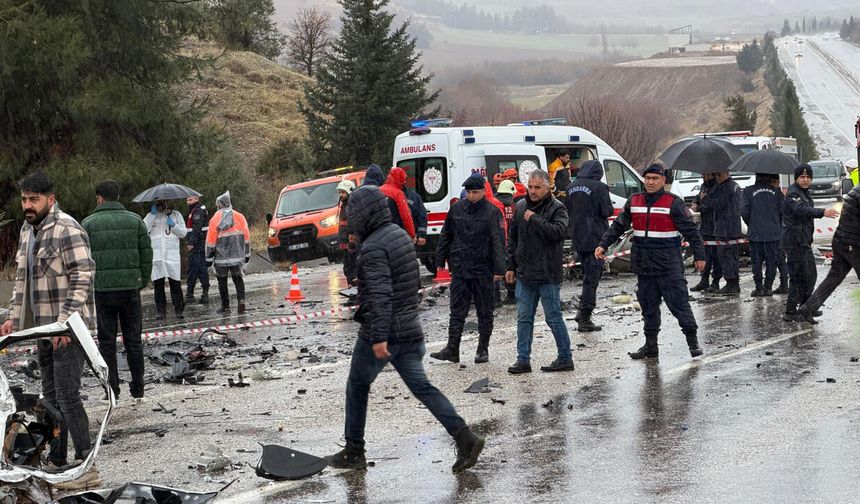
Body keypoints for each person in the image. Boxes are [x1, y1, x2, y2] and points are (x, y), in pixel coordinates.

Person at [324, 185, 484, 474]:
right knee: (423, 387)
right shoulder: (399, 235)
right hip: (409, 327)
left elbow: (381, 294)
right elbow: (409, 285)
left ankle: (354, 449)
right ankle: (465, 437)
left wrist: (379, 336)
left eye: (353, 214)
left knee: (357, 385)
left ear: (364, 215)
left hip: (383, 331)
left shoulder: (372, 247)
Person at [0, 172, 100, 488]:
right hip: (43, 329)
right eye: (24, 199)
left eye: (34, 199)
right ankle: (58, 463)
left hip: (69, 331)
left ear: (50, 199)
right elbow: (22, 282)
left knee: (68, 397)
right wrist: (14, 320)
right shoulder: (27, 233)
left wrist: (66, 321)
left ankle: (87, 466)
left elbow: (83, 276)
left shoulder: (67, 229)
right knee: (52, 398)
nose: (28, 205)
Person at [596, 163, 706, 360]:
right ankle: (650, 346)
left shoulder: (674, 202)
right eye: (647, 178)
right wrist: (604, 244)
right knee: (648, 307)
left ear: (663, 180)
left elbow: (692, 232)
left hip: (668, 264)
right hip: (644, 264)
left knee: (679, 305)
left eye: (655, 178)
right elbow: (618, 226)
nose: (650, 182)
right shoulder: (634, 200)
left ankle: (693, 342)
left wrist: (700, 255)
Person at [81, 180, 152, 401]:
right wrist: (141, 280)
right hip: (130, 289)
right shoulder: (136, 221)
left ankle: (112, 390)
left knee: (106, 342)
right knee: (133, 340)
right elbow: (146, 255)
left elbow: (82, 259)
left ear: (99, 198)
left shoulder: (88, 224)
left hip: (101, 291)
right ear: (118, 197)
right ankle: (138, 388)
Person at [431, 174, 505, 364]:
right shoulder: (456, 209)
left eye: (475, 192)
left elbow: (497, 241)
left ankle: (482, 350)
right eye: (469, 192)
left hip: (483, 269)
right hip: (461, 268)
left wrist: (499, 269)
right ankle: (452, 349)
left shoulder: (491, 211)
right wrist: (440, 258)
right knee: (457, 310)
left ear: (483, 191)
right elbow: (446, 234)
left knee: (484, 311)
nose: (471, 196)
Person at [505, 170, 574, 374]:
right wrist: (510, 266)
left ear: (547, 187)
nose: (533, 191)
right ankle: (522, 359)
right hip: (526, 273)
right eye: (530, 186)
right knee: (524, 317)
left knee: (553, 317)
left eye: (537, 187)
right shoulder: (520, 206)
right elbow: (513, 239)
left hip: (547, 273)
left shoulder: (558, 208)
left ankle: (565, 357)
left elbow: (559, 233)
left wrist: (535, 219)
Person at [782, 165, 840, 321]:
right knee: (798, 276)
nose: (806, 180)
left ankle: (807, 308)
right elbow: (801, 209)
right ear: (796, 178)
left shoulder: (804, 193)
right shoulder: (794, 193)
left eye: (808, 177)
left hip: (803, 240)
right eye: (802, 177)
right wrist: (823, 212)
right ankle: (790, 311)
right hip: (795, 241)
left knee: (810, 275)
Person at [798, 182, 860, 322]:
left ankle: (808, 308)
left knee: (834, 277)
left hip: (841, 241)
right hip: (853, 244)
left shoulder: (856, 189)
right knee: (834, 277)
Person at [565, 160, 614, 332]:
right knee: (592, 278)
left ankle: (584, 312)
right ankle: (584, 315)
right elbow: (607, 211)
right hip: (596, 238)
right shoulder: (600, 187)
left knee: (588, 275)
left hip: (578, 237)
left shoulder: (570, 187)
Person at [697, 170, 742, 295]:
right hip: (730, 226)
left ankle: (731, 283)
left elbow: (718, 204)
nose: (716, 177)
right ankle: (733, 283)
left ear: (726, 173)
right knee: (730, 255)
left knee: (726, 255)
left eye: (719, 175)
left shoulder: (726, 187)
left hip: (725, 227)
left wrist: (705, 198)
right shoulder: (733, 185)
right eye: (715, 174)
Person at [206, 191, 251, 315]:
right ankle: (241, 300)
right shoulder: (240, 216)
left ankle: (225, 306)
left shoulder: (215, 219)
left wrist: (208, 260)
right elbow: (246, 237)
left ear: (220, 204)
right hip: (237, 256)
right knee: (238, 279)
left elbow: (210, 241)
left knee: (222, 281)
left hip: (221, 257)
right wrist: (247, 255)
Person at [740, 173, 784, 296]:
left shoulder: (748, 191)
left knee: (756, 262)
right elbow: (782, 211)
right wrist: (776, 224)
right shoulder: (776, 192)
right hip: (773, 233)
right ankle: (768, 287)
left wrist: (752, 224)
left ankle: (759, 288)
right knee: (772, 262)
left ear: (756, 176)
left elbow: (744, 211)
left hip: (755, 233)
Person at [144, 200, 187, 323]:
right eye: (159, 202)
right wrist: (152, 215)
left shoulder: (176, 215)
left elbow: (183, 233)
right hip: (157, 256)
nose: (161, 205)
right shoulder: (151, 216)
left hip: (172, 256)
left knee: (175, 284)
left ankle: (179, 311)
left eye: (163, 202)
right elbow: (144, 229)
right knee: (158, 285)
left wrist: (174, 225)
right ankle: (160, 311)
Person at [364, 164, 416, 238]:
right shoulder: (398, 193)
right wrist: (412, 234)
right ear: (401, 180)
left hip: (378, 233)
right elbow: (406, 216)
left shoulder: (378, 190)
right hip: (395, 233)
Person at [689, 173, 721, 292]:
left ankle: (716, 282)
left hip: (715, 227)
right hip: (705, 226)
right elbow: (698, 198)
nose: (703, 175)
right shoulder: (704, 186)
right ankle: (704, 280)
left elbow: (712, 205)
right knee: (705, 255)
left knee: (716, 256)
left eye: (705, 174)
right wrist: (694, 204)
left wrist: (702, 202)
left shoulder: (718, 187)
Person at [496, 180, 518, 304]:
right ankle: (513, 294)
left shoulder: (495, 204)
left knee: (502, 269)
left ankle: (504, 296)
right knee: (512, 267)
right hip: (512, 241)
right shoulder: (515, 206)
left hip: (501, 241)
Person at [185, 195, 210, 304]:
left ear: (197, 199)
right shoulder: (196, 210)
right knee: (199, 268)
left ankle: (192, 294)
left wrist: (192, 242)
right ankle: (200, 293)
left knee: (195, 268)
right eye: (187, 200)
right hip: (199, 243)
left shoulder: (198, 211)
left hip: (198, 244)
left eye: (190, 200)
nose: (188, 202)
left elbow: (197, 228)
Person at [770, 175, 790, 294]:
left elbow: (783, 214)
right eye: (770, 182)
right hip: (776, 231)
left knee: (780, 259)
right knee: (777, 259)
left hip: (779, 232)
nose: (772, 184)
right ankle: (783, 284)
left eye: (774, 181)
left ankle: (784, 284)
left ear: (778, 182)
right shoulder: (774, 195)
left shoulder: (779, 196)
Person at [398, 168, 428, 248]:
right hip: (393, 237)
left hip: (408, 238)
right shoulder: (388, 195)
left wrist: (421, 235)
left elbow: (422, 215)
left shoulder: (413, 197)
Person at [337, 179, 358, 287]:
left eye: (343, 192)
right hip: (344, 240)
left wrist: (351, 238)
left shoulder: (350, 204)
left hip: (350, 240)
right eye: (340, 192)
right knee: (347, 266)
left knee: (352, 266)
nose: (341, 194)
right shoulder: (344, 204)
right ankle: (351, 286)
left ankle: (354, 288)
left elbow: (351, 222)